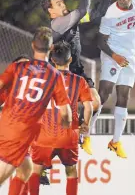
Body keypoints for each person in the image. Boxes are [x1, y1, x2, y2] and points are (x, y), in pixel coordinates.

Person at [40, 0, 115, 154]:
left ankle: (82, 134)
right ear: (51, 11)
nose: (63, 4)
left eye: (62, 1)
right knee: (55, 119)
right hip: (60, 74)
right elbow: (82, 10)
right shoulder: (57, 24)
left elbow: (97, 13)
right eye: (58, 3)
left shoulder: (70, 20)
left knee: (96, 103)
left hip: (77, 70)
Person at [0, 27, 72, 194]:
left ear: (33, 45)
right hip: (20, 132)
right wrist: (66, 124)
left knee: (26, 169)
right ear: (51, 48)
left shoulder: (18, 67)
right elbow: (66, 114)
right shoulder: (54, 75)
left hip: (8, 125)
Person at [18, 41, 93, 195]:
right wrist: (86, 124)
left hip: (44, 135)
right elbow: (89, 106)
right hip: (68, 136)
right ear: (70, 60)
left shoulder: (43, 79)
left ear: (52, 60)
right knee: (71, 172)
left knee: (36, 170)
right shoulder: (79, 81)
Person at [98, 0, 135, 158]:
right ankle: (84, 134)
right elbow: (101, 42)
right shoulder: (110, 14)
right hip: (111, 53)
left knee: (124, 95)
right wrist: (115, 56)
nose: (125, 0)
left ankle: (116, 141)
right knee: (104, 93)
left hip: (129, 56)